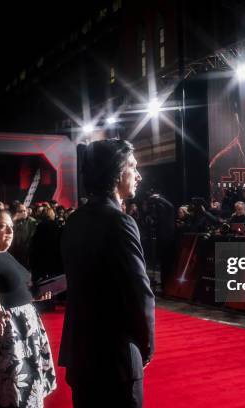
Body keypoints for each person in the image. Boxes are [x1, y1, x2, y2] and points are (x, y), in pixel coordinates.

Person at [59, 139, 155, 408]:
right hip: (116, 358)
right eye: (133, 167)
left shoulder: (74, 221)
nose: (138, 175)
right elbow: (140, 295)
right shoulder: (121, 222)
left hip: (80, 355)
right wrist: (146, 346)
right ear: (116, 173)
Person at [0, 209, 56, 408]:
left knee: (26, 386)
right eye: (2, 226)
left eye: (11, 227)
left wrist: (36, 294)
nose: (9, 231)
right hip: (5, 331)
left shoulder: (4, 254)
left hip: (23, 328)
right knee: (9, 389)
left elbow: (19, 286)